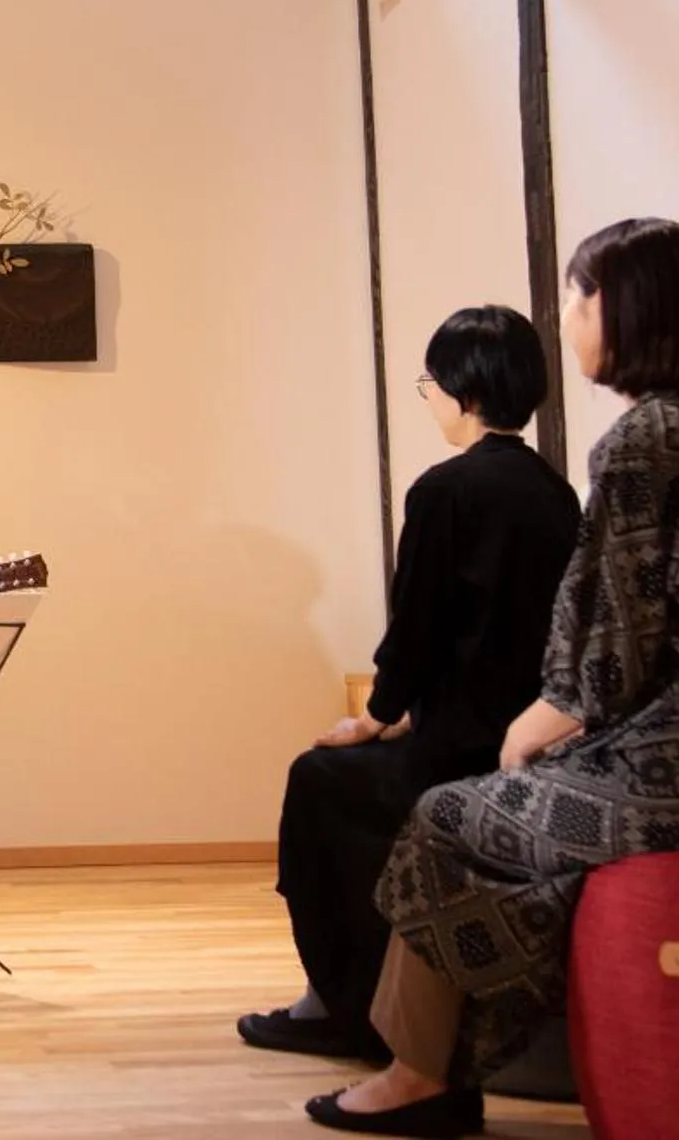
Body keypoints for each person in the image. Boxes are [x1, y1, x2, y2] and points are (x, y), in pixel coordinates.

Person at [307, 219, 679, 1137]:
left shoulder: (644, 442)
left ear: (624, 307)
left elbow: (606, 654)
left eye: (578, 294)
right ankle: (533, 1046)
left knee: (449, 817)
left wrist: (533, 730)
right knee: (516, 811)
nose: (568, 316)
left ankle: (419, 1075)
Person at [241, 306, 579, 1062]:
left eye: (429, 380)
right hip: (530, 741)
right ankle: (351, 997)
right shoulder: (554, 492)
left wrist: (380, 713)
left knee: (321, 780)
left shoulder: (444, 489)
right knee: (346, 781)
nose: (426, 395)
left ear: (461, 390)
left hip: (458, 747)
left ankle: (339, 1003)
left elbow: (419, 628)